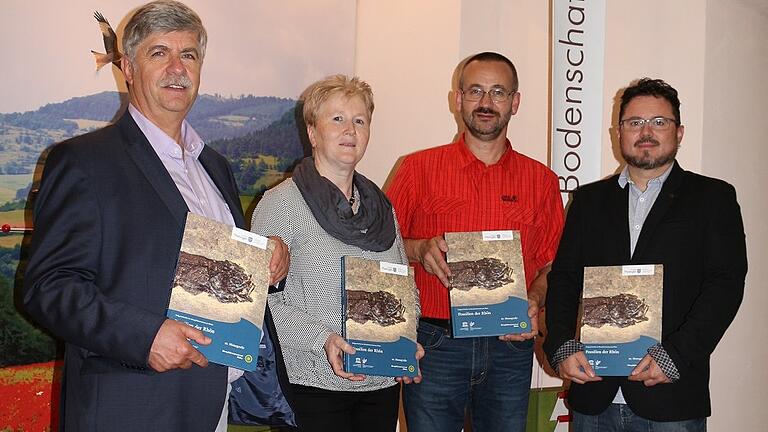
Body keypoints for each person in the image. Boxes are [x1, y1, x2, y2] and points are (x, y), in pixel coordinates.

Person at [22, 1, 293, 430]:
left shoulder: (215, 167)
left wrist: (268, 263)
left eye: (189, 55)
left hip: (212, 403)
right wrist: (145, 336)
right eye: (159, 53)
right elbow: (50, 288)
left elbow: (214, 275)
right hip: (132, 408)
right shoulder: (84, 162)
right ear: (127, 67)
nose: (177, 67)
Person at [543, 78, 747, 431]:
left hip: (672, 398)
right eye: (635, 122)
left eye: (659, 122)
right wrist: (560, 345)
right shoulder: (589, 201)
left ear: (679, 132)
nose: (646, 132)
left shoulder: (713, 198)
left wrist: (675, 356)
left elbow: (725, 285)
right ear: (618, 132)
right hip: (594, 396)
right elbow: (563, 278)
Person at [386, 52, 564, 432]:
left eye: (498, 92)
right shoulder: (417, 169)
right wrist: (418, 249)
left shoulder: (542, 181)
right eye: (475, 91)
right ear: (458, 99)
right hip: (434, 344)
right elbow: (379, 250)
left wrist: (534, 298)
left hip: (510, 345)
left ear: (515, 102)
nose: (486, 103)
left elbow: (553, 264)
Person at [250, 74, 423, 432]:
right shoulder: (281, 204)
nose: (350, 130)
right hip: (311, 381)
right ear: (313, 133)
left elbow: (404, 286)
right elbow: (263, 301)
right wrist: (322, 339)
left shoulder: (381, 207)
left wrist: (407, 338)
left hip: (380, 382)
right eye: (337, 119)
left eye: (360, 120)